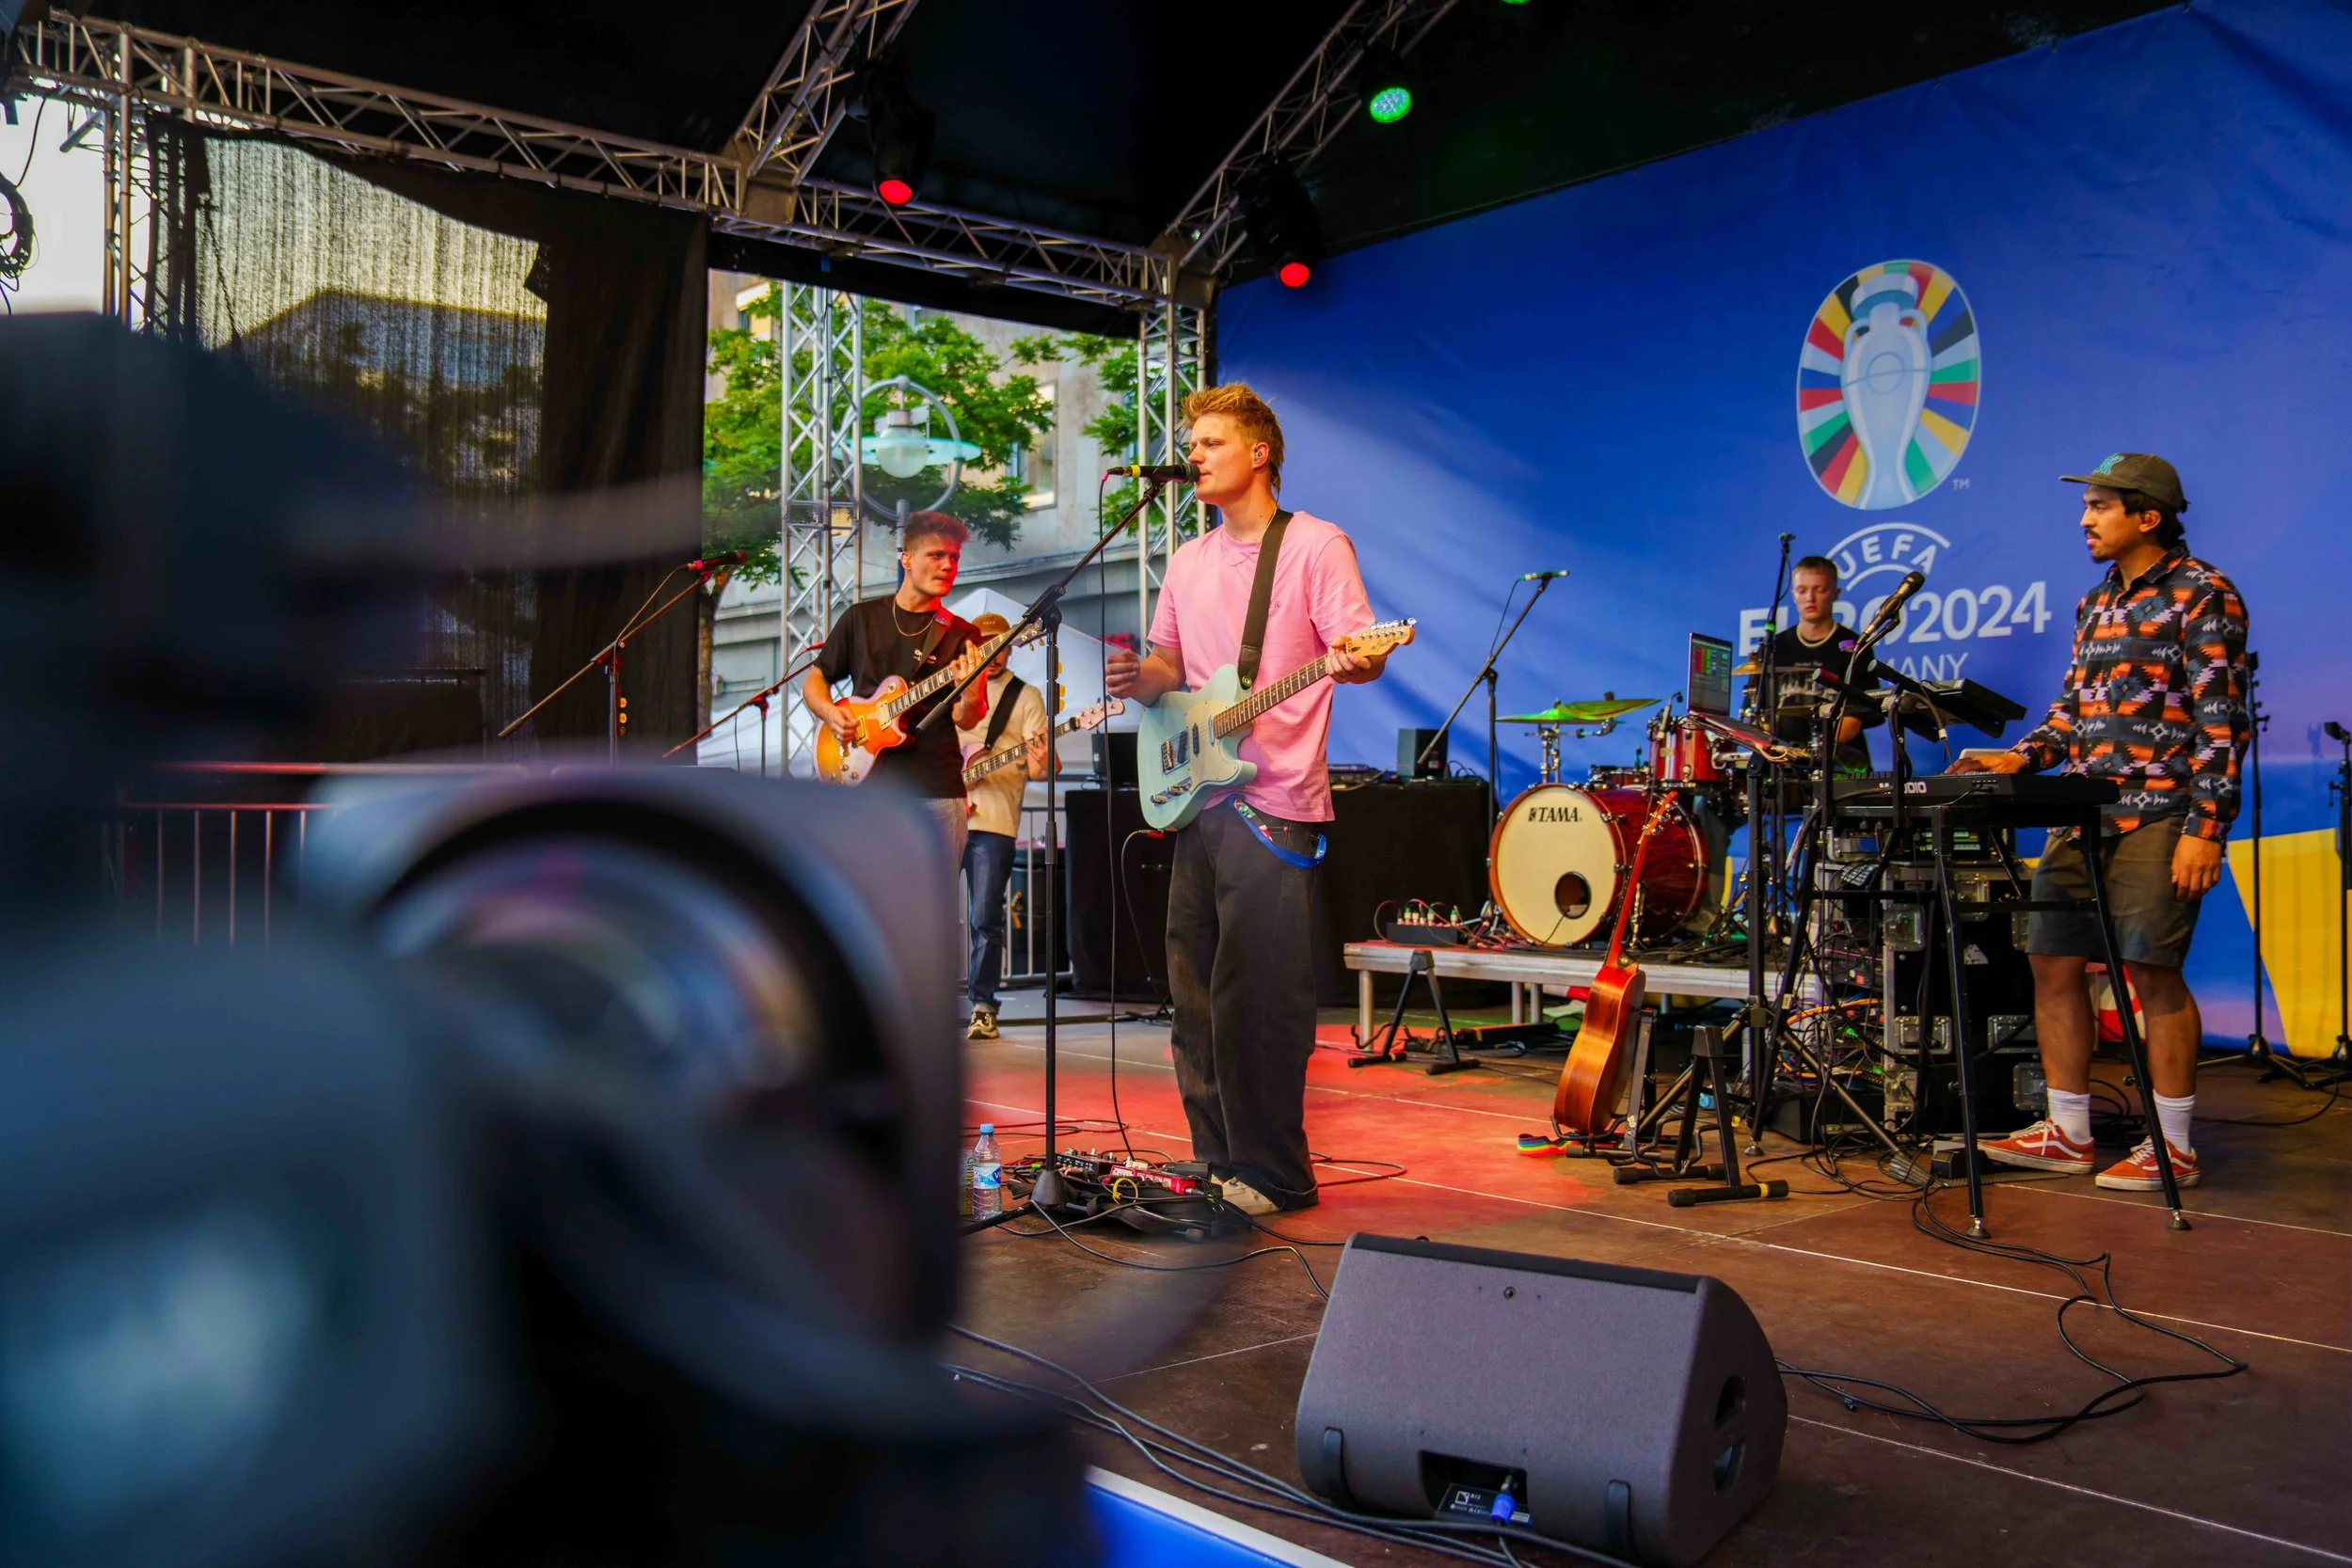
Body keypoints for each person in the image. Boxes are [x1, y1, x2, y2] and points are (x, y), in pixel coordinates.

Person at [1103, 384, 1389, 1215]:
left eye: (1210, 442)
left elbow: (1362, 649)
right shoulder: (1188, 560)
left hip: (1278, 799)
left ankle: (1274, 1172)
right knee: (1193, 994)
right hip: (1198, 798)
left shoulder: (1314, 545)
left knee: (1259, 996)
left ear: (1259, 453)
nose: (1193, 453)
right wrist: (1136, 676)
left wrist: (1356, 658)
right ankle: (1215, 1160)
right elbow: (1168, 664)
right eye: (1191, 443)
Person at [1963, 454, 2249, 1190]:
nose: (2085, 519)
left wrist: (2205, 826)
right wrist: (2021, 759)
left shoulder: (2203, 593)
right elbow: (2071, 712)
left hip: (2161, 814)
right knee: (2051, 962)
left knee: (2153, 972)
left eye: (2100, 506)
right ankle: (2068, 1130)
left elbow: (2221, 722)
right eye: (2086, 506)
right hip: (2079, 809)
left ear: (2147, 516)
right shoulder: (2097, 601)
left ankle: (2173, 1145)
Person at [802, 511, 991, 868]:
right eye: (936, 555)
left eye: (954, 557)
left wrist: (970, 693)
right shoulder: (861, 619)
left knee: (930, 912)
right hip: (866, 791)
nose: (948, 565)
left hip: (935, 790)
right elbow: (815, 679)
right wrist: (830, 712)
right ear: (906, 558)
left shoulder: (962, 634)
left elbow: (969, 719)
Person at [956, 611, 1052, 1041]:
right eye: (983, 645)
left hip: (995, 821)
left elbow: (1038, 771)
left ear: (1009, 647)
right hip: (946, 813)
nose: (991, 654)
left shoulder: (1025, 695)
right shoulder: (955, 689)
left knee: (983, 918)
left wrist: (1041, 757)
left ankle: (983, 1006)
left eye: (998, 645)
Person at [1754, 554, 1872, 768]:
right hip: (1782, 768)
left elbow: (1852, 722)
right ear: (1793, 595)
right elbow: (1758, 716)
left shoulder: (1855, 647)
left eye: (1820, 589)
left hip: (1837, 766)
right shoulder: (1774, 647)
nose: (1810, 598)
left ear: (1835, 594)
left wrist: (1808, 753)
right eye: (1802, 590)